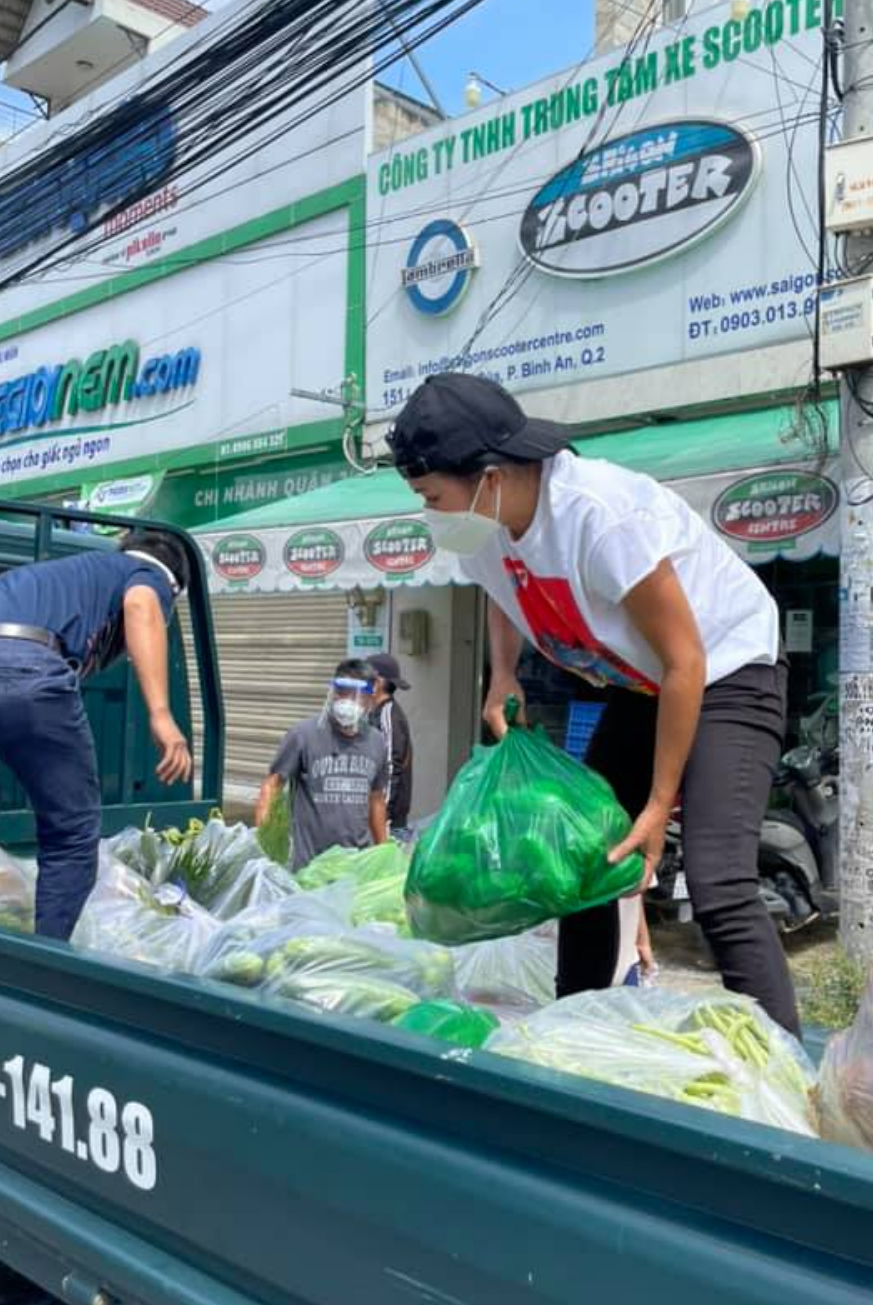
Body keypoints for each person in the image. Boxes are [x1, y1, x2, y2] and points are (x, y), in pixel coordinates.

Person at [388, 372, 799, 1036]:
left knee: (719, 882)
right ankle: (571, 1037)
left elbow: (686, 661)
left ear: (490, 475)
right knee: (580, 853)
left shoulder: (599, 516)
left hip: (725, 671)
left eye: (433, 495)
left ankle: (784, 1069)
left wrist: (659, 807)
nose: (430, 511)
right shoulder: (488, 523)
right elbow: (501, 589)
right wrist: (502, 674)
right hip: (640, 684)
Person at [0, 529, 194, 940]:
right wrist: (162, 715)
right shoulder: (148, 576)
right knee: (72, 830)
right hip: (19, 659)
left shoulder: (78, 574)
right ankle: (47, 969)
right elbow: (140, 605)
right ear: (174, 586)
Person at [257, 659, 389, 869]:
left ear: (370, 698)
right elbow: (272, 786)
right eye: (342, 692)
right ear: (333, 692)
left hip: (355, 864)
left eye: (356, 695)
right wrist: (265, 844)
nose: (347, 700)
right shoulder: (303, 735)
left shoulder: (376, 742)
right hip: (309, 866)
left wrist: (383, 852)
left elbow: (376, 800)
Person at [368, 652, 414, 835]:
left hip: (387, 824)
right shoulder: (376, 713)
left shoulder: (388, 715)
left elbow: (391, 767)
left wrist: (381, 816)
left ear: (377, 683)